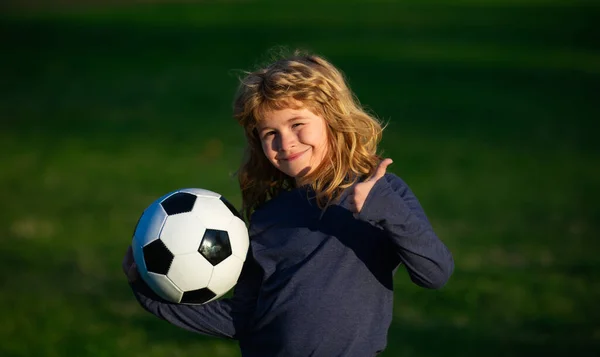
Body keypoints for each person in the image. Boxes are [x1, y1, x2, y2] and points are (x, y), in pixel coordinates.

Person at [122, 50, 454, 357]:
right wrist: (148, 290)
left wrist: (385, 209)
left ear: (331, 118)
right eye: (270, 134)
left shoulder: (381, 191)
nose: (286, 143)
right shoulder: (269, 218)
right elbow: (241, 319)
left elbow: (435, 273)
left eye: (297, 125)